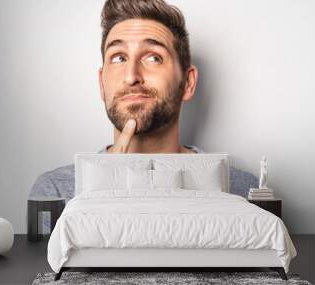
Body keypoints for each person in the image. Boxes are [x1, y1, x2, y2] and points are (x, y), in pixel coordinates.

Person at [29, 0, 257, 231]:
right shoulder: (55, 193)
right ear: (101, 84)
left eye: (153, 57)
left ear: (187, 83)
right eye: (119, 57)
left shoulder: (243, 191)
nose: (131, 76)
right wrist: (101, 193)